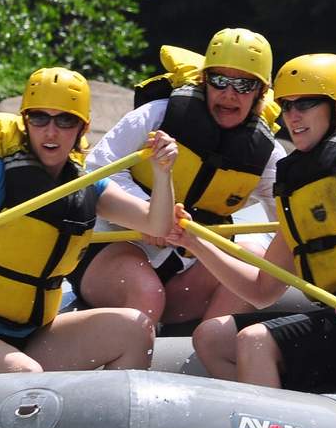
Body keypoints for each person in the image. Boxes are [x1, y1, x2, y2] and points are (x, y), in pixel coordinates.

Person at [170, 54, 336, 391]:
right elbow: (261, 290)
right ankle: (290, 412)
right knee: (212, 336)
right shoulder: (294, 185)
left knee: (256, 340)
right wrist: (194, 242)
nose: (292, 117)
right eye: (286, 106)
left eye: (306, 104)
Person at [0, 67, 179, 387]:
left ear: (82, 128)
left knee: (135, 329)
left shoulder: (89, 187)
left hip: (31, 335)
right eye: (39, 119)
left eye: (65, 120)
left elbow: (157, 224)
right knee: (25, 376)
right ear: (25, 122)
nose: (51, 131)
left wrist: (163, 173)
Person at [69, 28, 287, 326]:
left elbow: (288, 222)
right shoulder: (157, 116)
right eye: (219, 80)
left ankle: (212, 350)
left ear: (261, 92)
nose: (229, 94)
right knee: (147, 292)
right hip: (119, 246)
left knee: (253, 259)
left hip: (189, 263)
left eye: (244, 85)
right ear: (204, 81)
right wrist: (149, 214)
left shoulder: (267, 154)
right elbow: (95, 172)